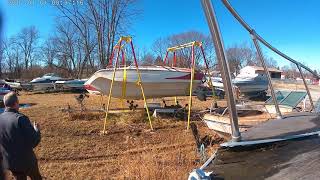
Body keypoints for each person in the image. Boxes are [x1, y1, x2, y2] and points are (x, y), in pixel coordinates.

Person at [0, 92, 42, 180]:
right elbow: (34, 141)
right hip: (26, 162)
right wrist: (37, 130)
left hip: (10, 162)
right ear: (16, 103)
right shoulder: (20, 118)